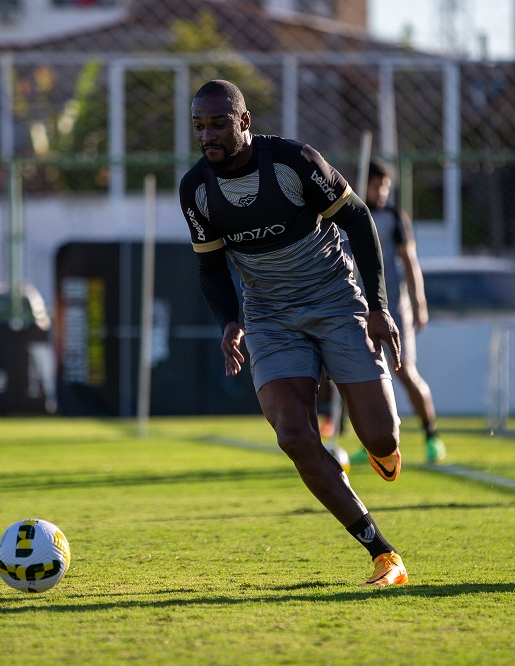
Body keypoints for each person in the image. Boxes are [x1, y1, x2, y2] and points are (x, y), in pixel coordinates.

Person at [179, 79, 408, 586]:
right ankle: (382, 553)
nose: (207, 135)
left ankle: (379, 448)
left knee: (381, 437)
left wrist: (378, 306)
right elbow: (211, 268)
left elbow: (359, 220)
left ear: (244, 122)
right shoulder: (195, 189)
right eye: (199, 125)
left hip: (335, 300)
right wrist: (230, 322)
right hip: (270, 317)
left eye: (218, 123)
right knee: (294, 435)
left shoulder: (293, 162)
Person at [346, 158, 445, 464]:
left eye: (386, 186)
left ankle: (432, 434)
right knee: (367, 377)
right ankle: (374, 442)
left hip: (393, 309)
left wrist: (420, 303)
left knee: (405, 373)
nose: (383, 192)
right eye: (377, 186)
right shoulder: (348, 213)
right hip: (358, 308)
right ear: (365, 184)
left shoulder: (394, 218)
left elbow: (410, 262)